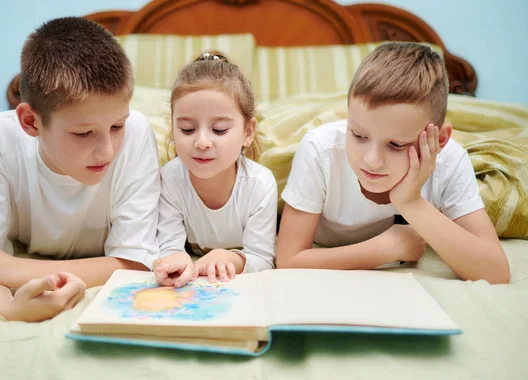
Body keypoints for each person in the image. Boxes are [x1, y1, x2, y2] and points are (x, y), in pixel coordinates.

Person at [0, 17, 161, 321]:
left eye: (116, 126)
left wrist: (10, 268)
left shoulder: (137, 132)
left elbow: (135, 263)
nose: (107, 151)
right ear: (31, 122)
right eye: (83, 133)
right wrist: (9, 308)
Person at [276, 42, 509, 284]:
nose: (372, 160)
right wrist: (386, 248)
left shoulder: (449, 162)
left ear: (438, 140)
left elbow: (496, 273)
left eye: (396, 145)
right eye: (358, 135)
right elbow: (288, 259)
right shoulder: (320, 150)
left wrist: (411, 203)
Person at [153, 52, 277, 288]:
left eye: (219, 130)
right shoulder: (169, 179)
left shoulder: (260, 184)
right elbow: (167, 246)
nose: (201, 142)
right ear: (173, 127)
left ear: (248, 132)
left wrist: (231, 258)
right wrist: (176, 258)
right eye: (187, 129)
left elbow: (262, 258)